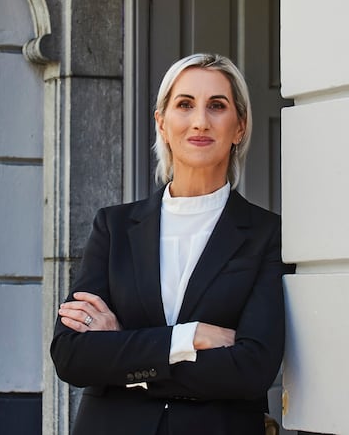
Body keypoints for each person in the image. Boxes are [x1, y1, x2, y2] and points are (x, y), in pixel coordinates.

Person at [50, 53, 292, 435]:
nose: (200, 121)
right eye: (184, 105)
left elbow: (252, 370)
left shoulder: (267, 234)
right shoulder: (114, 227)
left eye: (217, 106)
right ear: (162, 123)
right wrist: (187, 338)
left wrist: (125, 354)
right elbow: (72, 356)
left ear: (239, 126)